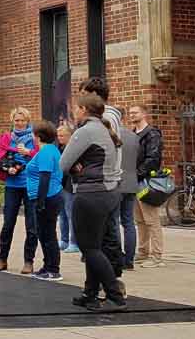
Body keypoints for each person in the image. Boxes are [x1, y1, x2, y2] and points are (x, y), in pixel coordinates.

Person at [60, 93, 126, 312]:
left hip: (90, 194)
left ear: (83, 110)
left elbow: (63, 163)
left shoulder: (85, 131)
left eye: (75, 109)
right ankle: (90, 294)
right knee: (94, 247)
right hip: (107, 193)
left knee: (90, 248)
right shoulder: (105, 129)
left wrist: (76, 165)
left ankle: (115, 295)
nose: (73, 112)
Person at [78, 77, 125, 282]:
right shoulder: (103, 119)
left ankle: (113, 279)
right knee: (101, 237)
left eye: (84, 94)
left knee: (107, 235)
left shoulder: (105, 118)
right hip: (107, 180)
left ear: (94, 95)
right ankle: (96, 284)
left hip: (105, 182)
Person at [0, 107, 39, 275]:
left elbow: (41, 156)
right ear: (12, 121)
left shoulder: (34, 138)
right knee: (8, 223)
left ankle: (29, 261)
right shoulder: (6, 137)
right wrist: (7, 168)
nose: (19, 123)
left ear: (27, 121)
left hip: (29, 184)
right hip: (12, 184)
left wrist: (29, 152)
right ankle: (2, 258)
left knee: (31, 225)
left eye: (22, 120)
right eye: (16, 120)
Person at [26, 120, 64, 281]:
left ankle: (53, 269)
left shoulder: (46, 152)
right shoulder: (50, 150)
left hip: (48, 197)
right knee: (44, 233)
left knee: (48, 234)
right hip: (47, 196)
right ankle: (47, 266)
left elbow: (45, 176)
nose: (32, 137)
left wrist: (40, 201)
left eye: (33, 134)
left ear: (38, 136)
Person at [129, 104, 166, 268]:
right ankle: (143, 251)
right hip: (134, 181)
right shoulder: (132, 134)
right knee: (140, 220)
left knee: (151, 219)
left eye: (135, 112)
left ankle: (157, 256)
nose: (132, 115)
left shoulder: (152, 134)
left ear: (144, 114)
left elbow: (153, 158)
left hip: (146, 181)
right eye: (130, 113)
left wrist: (137, 173)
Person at [116, 126, 141, 271]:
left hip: (116, 182)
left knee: (113, 222)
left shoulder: (109, 135)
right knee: (129, 222)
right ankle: (130, 259)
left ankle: (118, 257)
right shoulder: (133, 137)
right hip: (131, 182)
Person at [57, 124, 79, 253]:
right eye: (58, 135)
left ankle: (74, 242)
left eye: (62, 135)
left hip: (70, 185)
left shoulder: (73, 149)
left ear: (70, 135)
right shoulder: (60, 148)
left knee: (71, 214)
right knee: (62, 214)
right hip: (61, 184)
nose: (59, 138)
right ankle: (64, 240)